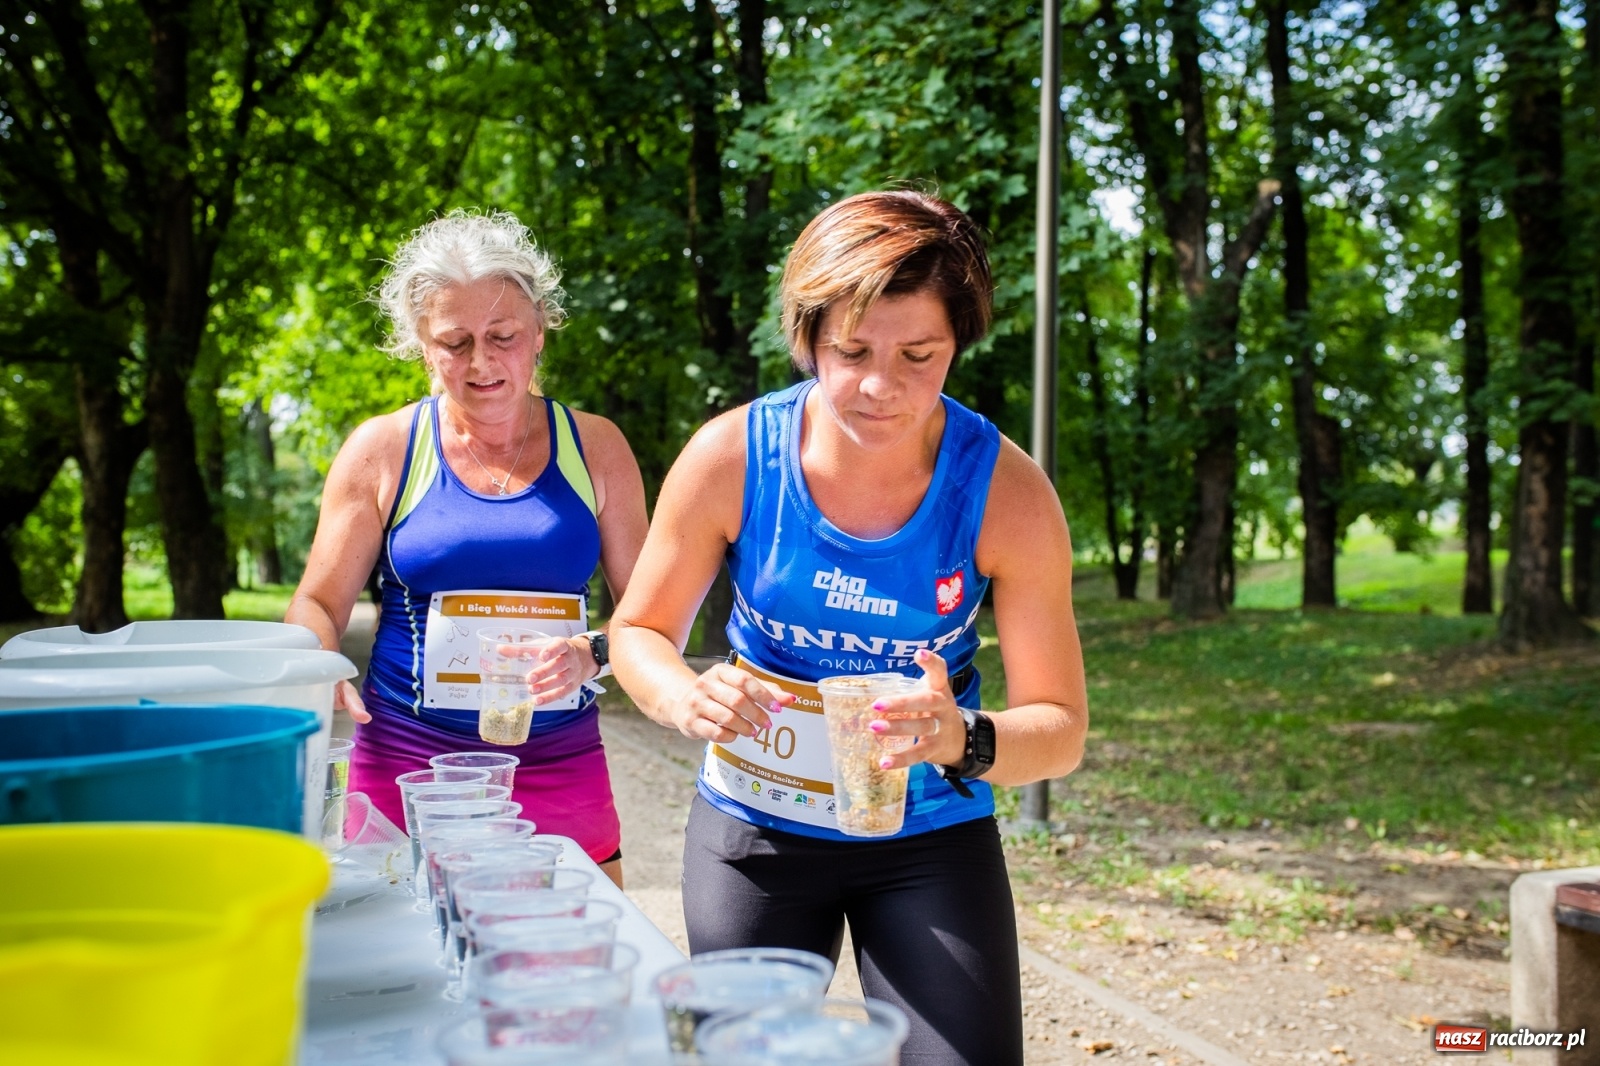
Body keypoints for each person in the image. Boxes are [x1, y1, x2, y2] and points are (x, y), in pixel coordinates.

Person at [609, 190, 1088, 1064]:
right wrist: (686, 695)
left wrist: (964, 738)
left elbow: (1059, 730)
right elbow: (638, 630)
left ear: (957, 346)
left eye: (920, 355)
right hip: (754, 828)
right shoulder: (730, 457)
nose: (880, 387)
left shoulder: (1007, 494)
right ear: (806, 338)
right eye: (851, 351)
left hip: (929, 837)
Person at [286, 210, 647, 886]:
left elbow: (650, 614)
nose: (481, 362)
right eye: (455, 342)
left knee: (573, 969)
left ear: (539, 328)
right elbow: (316, 600)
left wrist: (588, 654)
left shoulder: (596, 447)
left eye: (502, 336)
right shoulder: (383, 449)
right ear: (421, 345)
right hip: (408, 763)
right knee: (404, 973)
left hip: (559, 761)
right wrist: (314, 658)